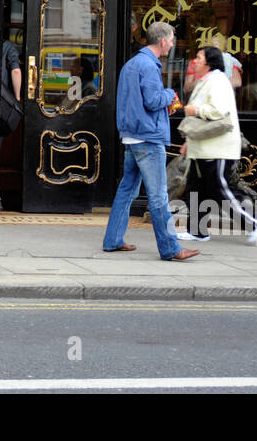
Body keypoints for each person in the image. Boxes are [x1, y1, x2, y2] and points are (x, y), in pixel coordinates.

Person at [101, 20, 199, 261]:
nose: (173, 43)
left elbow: (133, 102)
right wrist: (171, 94)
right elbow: (154, 100)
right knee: (158, 196)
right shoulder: (149, 66)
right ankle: (171, 249)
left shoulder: (132, 64)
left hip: (132, 137)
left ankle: (113, 240)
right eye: (173, 39)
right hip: (148, 139)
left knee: (127, 190)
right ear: (163, 41)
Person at [178, 45, 241, 241]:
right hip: (203, 148)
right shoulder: (205, 81)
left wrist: (193, 110)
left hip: (218, 148)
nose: (194, 61)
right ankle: (197, 231)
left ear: (209, 62)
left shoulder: (218, 81)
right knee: (195, 189)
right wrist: (190, 142)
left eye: (198, 57)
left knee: (220, 190)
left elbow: (218, 110)